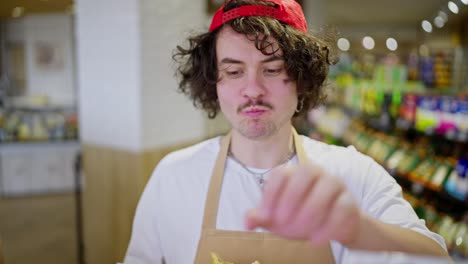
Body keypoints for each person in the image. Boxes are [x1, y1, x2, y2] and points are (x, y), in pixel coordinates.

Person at [123, 0, 450, 263]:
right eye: (234, 71)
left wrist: (365, 232)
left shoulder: (355, 174)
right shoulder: (174, 175)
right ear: (214, 81)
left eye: (273, 69)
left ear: (302, 78)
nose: (252, 89)